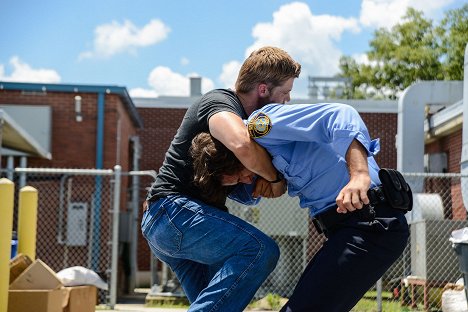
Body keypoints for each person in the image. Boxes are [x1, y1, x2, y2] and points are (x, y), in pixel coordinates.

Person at [190, 102, 410, 312]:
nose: (247, 182)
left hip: (370, 222)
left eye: (240, 176)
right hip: (348, 229)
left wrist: (359, 175)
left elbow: (342, 114)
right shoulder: (271, 158)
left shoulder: (260, 126)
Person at [141, 46, 301, 312]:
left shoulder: (247, 120)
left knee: (220, 304)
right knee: (261, 251)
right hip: (172, 212)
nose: (286, 101)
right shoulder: (220, 102)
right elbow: (242, 145)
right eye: (284, 93)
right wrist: (272, 178)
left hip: (173, 223)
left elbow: (247, 189)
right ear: (263, 89)